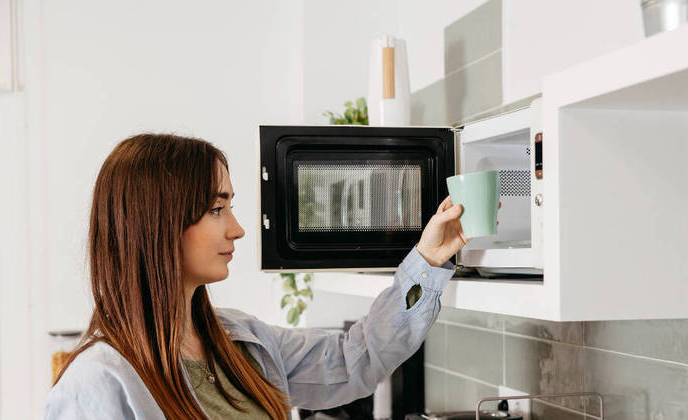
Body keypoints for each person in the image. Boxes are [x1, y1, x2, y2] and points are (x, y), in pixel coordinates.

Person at [44, 133, 468, 420]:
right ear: (157, 224)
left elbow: (353, 359)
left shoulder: (241, 341)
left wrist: (426, 262)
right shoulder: (97, 383)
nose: (238, 228)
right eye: (217, 208)